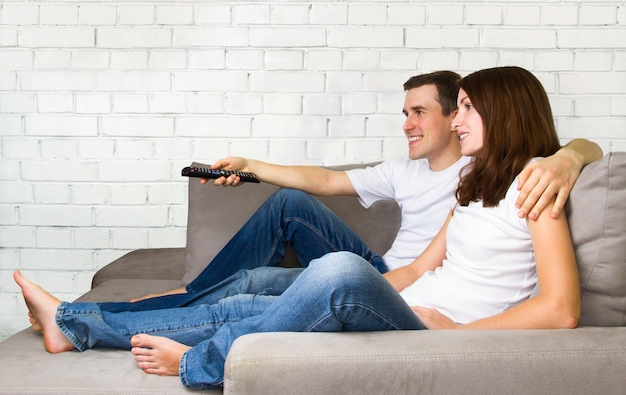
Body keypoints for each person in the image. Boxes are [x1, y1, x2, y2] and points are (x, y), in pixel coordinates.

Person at [16, 66, 581, 390]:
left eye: (464, 109)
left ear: (506, 112)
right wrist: (379, 290)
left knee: (335, 270)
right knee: (243, 305)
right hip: (405, 305)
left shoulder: (538, 188)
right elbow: (412, 267)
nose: (456, 121)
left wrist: (452, 335)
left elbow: (560, 309)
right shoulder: (472, 187)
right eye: (453, 108)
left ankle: (200, 367)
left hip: (440, 327)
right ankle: (73, 324)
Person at [135, 71, 601, 302]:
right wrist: (249, 164)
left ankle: (194, 300)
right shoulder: (404, 170)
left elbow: (585, 146)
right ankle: (196, 295)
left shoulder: (486, 170)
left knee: (255, 286)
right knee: (291, 202)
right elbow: (323, 180)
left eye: (420, 112)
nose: (407, 124)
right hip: (383, 269)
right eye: (404, 113)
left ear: (452, 116)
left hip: (399, 284)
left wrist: (569, 156)